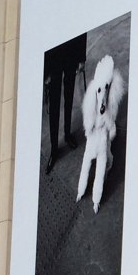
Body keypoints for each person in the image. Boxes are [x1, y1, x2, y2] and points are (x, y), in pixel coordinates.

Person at [43, 33, 87, 174]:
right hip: (53, 58)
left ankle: (68, 134)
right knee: (54, 106)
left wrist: (81, 58)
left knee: (69, 97)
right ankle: (54, 150)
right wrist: (45, 71)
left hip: (71, 51)